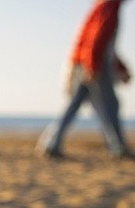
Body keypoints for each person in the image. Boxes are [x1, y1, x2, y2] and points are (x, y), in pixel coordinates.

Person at [37, 0, 132, 159]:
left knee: (81, 104)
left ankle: (51, 144)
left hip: (88, 62)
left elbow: (106, 46)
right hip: (92, 64)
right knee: (109, 105)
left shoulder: (105, 5)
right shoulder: (109, 5)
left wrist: (120, 68)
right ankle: (117, 147)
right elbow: (95, 38)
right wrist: (92, 66)